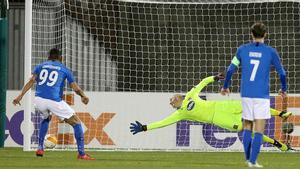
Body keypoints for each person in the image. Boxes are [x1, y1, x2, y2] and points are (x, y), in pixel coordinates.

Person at [130, 74, 291, 152]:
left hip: (221, 107)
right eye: (171, 102)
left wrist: (215, 77)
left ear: (178, 96)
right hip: (219, 118)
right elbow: (162, 123)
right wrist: (145, 127)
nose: (172, 100)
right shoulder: (181, 113)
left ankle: (280, 114)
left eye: (172, 98)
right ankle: (277, 144)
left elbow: (202, 82)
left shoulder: (190, 94)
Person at [221, 22, 287, 168]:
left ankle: (248, 159)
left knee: (247, 126)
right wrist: (284, 88)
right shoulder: (270, 52)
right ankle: (252, 161)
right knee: (259, 129)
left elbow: (230, 69)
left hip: (246, 94)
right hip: (261, 95)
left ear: (251, 34)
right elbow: (282, 72)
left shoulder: (242, 49)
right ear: (265, 34)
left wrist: (225, 86)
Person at [13, 48, 95, 160]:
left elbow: (31, 81)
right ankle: (81, 154)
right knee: (76, 123)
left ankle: (40, 148)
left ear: (48, 57)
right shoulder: (64, 69)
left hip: (38, 100)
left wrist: (20, 96)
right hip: (53, 101)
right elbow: (75, 88)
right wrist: (83, 96)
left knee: (46, 118)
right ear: (60, 58)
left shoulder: (40, 66)